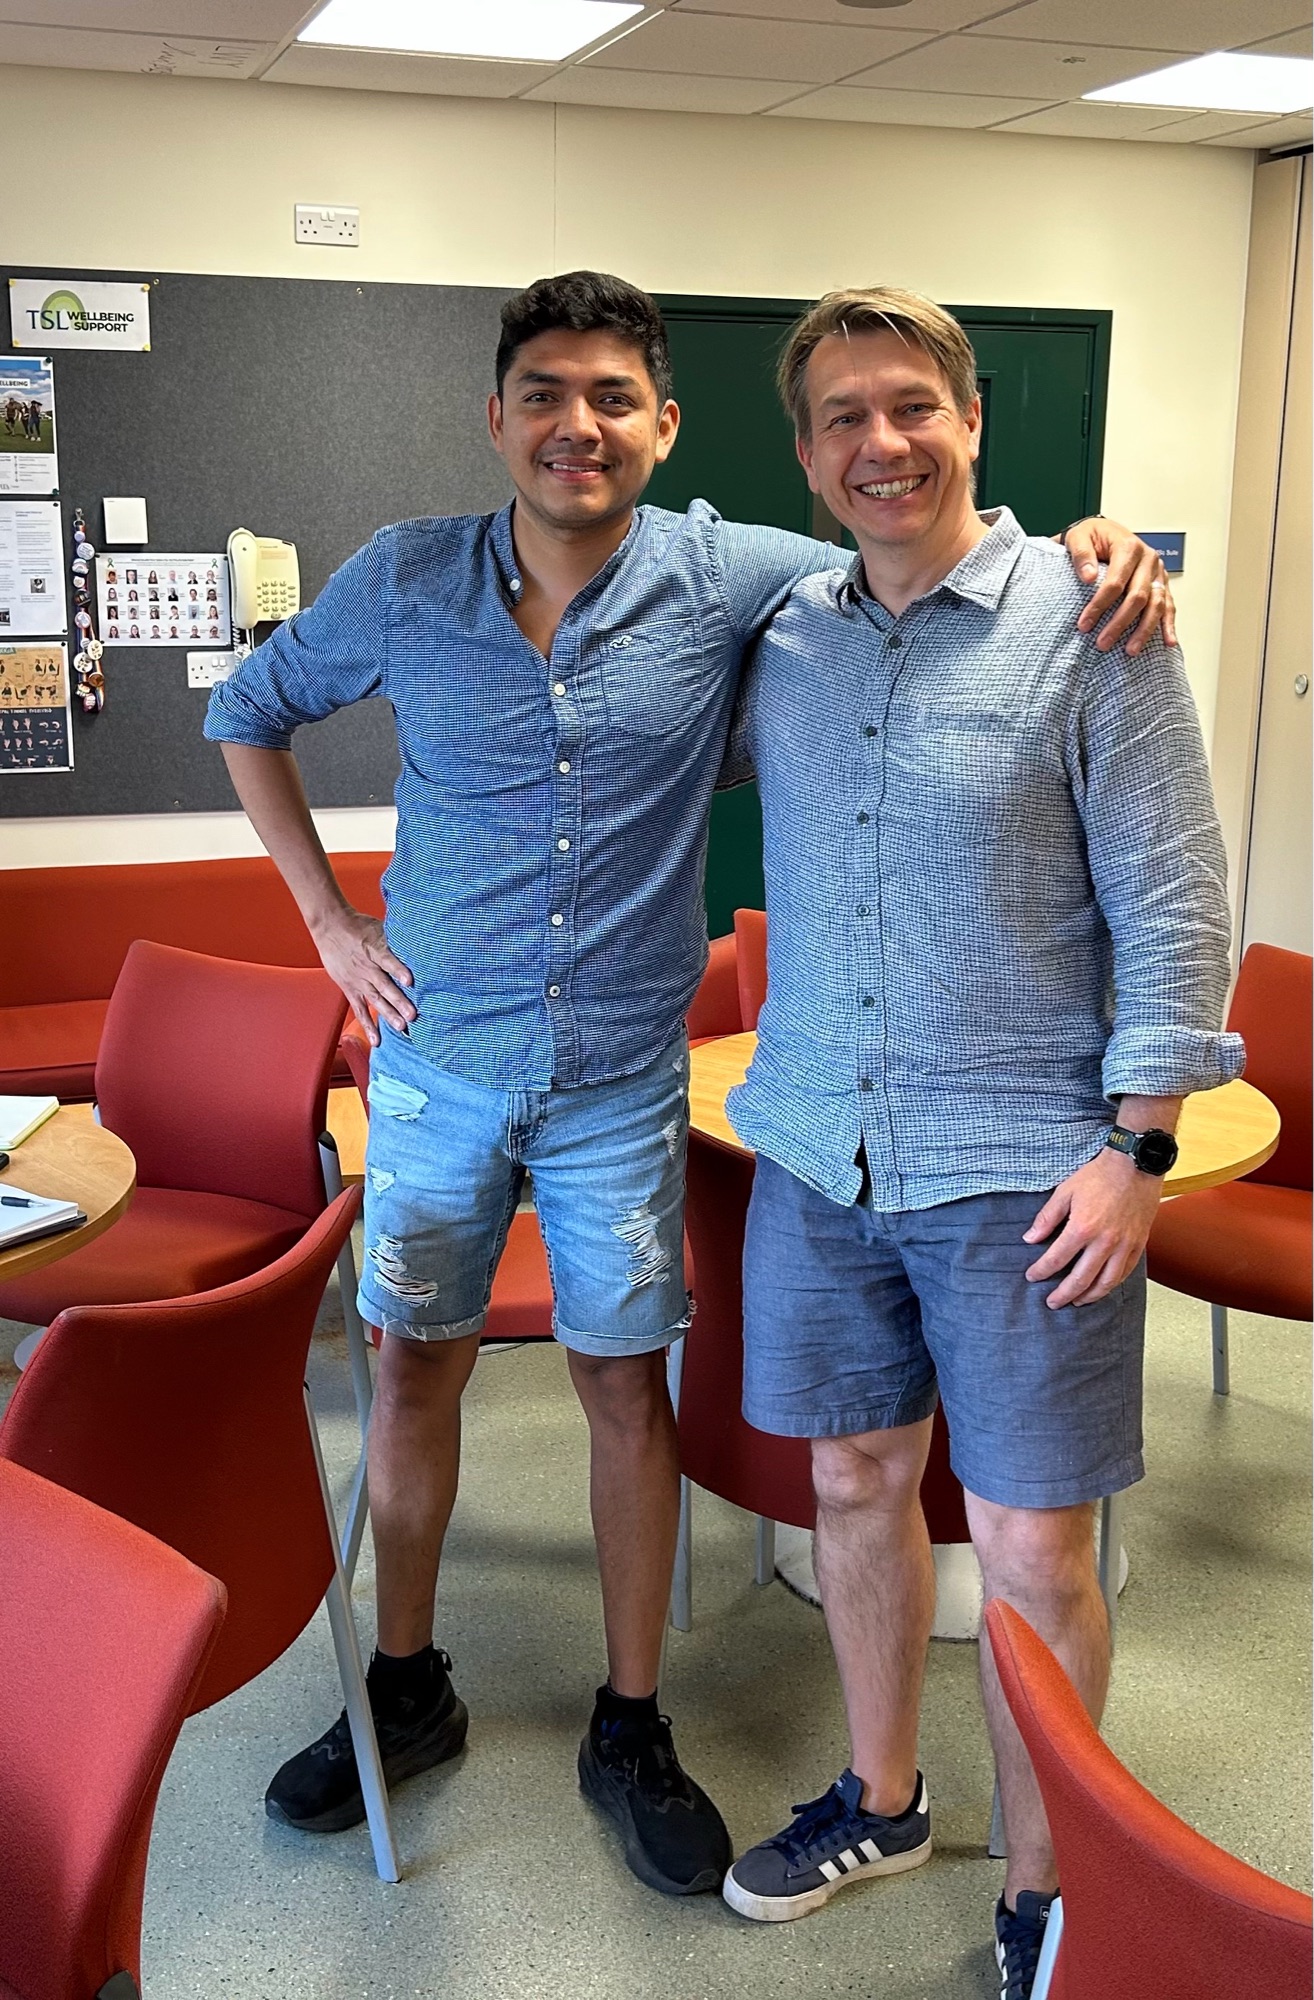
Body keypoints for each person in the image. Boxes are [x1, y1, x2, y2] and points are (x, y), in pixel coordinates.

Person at [203, 270, 1169, 1900]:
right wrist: (328, 926)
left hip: (618, 1079)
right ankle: (406, 1682)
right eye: (541, 394)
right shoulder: (406, 577)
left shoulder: (741, 577)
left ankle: (631, 1721)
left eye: (609, 397)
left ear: (662, 423)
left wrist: (1095, 543)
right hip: (436, 1067)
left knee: (617, 1390)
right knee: (415, 1372)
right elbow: (248, 711)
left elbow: (920, 547)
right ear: (495, 418)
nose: (573, 426)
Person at [715, 288, 1241, 1997]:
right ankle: (881, 1801)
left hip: (1029, 1173)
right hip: (818, 1153)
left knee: (1026, 1546)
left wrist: (1137, 1154)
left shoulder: (1093, 623)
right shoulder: (782, 636)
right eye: (842, 419)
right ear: (805, 458)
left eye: (910, 407)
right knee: (852, 1482)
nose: (880, 444)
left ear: (969, 421)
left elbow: (1174, 906)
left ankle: (1047, 1883)